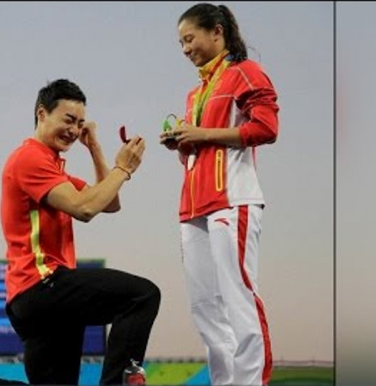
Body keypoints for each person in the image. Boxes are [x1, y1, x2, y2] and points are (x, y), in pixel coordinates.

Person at [0, 78, 161, 386]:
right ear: (42, 114)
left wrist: (94, 147)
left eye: (80, 124)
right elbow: (85, 208)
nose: (74, 130)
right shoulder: (31, 158)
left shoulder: (55, 169)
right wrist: (123, 169)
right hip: (43, 284)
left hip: (33, 300)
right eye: (68, 120)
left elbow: (110, 202)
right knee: (142, 296)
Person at [159, 3, 278, 385]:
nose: (184, 49)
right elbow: (201, 150)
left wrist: (203, 135)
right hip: (192, 207)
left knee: (239, 299)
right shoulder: (195, 94)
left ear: (216, 32)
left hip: (233, 200)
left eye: (189, 38)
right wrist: (182, 143)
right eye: (180, 42)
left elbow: (266, 127)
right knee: (205, 308)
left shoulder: (246, 73)